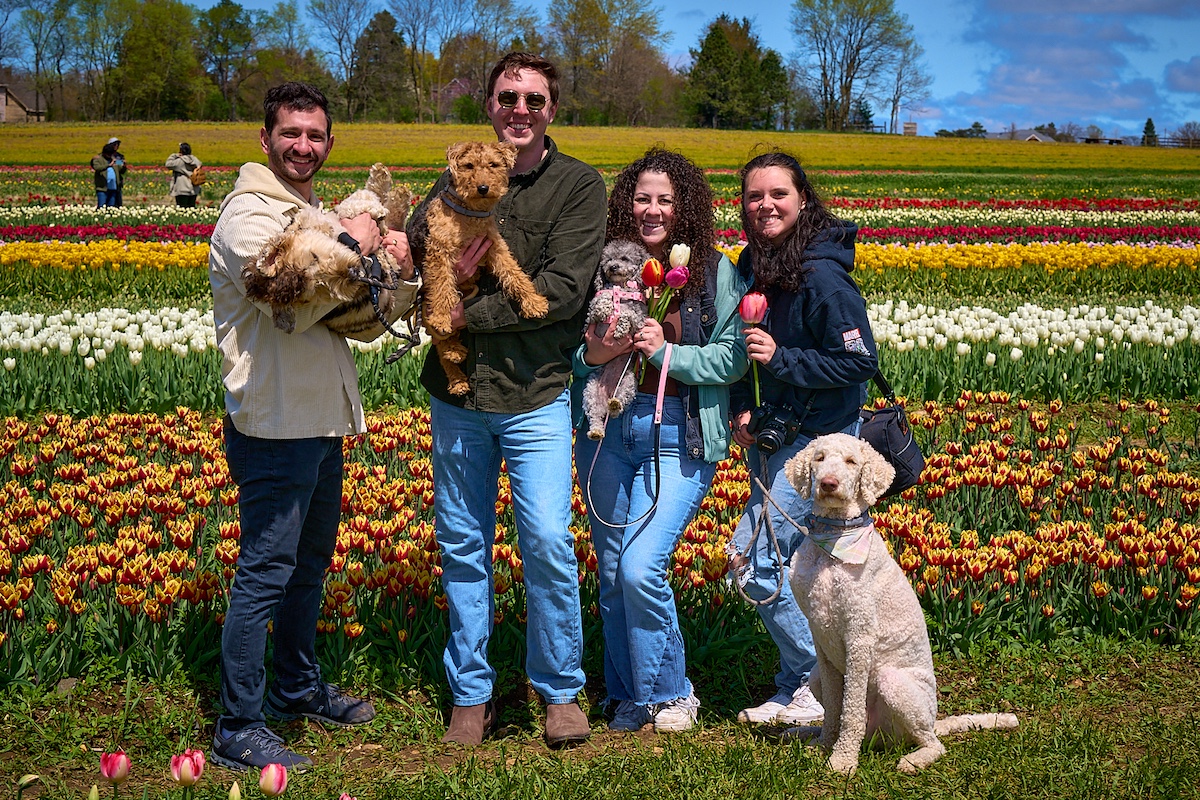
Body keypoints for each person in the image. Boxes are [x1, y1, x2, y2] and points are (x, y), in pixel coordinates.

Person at [208, 81, 418, 771]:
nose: (304, 145)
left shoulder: (304, 211)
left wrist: (393, 271)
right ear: (264, 140)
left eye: (316, 135)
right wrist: (357, 242)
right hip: (273, 425)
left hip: (319, 422)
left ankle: (296, 687)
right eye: (291, 133)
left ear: (330, 143)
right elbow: (282, 288)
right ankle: (238, 722)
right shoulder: (250, 215)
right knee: (266, 572)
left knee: (307, 569)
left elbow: (348, 314)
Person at [405, 52, 606, 748]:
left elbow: (564, 291)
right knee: (463, 546)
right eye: (507, 97)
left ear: (552, 109)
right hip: (457, 396)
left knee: (547, 541)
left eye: (534, 99)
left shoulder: (578, 186)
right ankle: (471, 693)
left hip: (535, 394)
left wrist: (467, 314)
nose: (520, 109)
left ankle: (558, 690)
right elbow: (419, 239)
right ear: (490, 106)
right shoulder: (454, 174)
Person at [573, 148, 749, 733]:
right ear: (628, 204)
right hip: (607, 427)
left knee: (643, 565)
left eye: (666, 201)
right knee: (614, 567)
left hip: (680, 429)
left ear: (685, 209)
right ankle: (628, 694)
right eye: (642, 198)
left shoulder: (713, 271)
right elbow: (574, 354)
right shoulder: (601, 268)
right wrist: (597, 352)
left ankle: (673, 692)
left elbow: (731, 358)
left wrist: (667, 352)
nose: (653, 211)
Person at [726, 151, 879, 726]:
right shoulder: (754, 263)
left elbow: (859, 362)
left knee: (753, 558)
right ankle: (801, 684)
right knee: (792, 560)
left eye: (777, 195)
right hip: (775, 434)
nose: (764, 205)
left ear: (803, 199)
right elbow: (740, 348)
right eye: (753, 196)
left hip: (821, 443)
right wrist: (743, 406)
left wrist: (782, 358)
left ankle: (815, 682)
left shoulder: (822, 274)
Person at [91, 137, 126, 208]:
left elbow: (121, 168)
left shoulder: (117, 158)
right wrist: (109, 165)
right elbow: (96, 167)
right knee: (102, 206)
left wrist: (124, 164)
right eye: (114, 144)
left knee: (113, 206)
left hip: (114, 187)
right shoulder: (99, 158)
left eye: (117, 144)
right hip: (103, 187)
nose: (116, 146)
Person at [166, 143, 202, 208]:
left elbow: (168, 164)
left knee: (182, 208)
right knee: (191, 208)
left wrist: (175, 155)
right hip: (194, 188)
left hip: (182, 188)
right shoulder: (195, 160)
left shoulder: (180, 161)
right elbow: (200, 165)